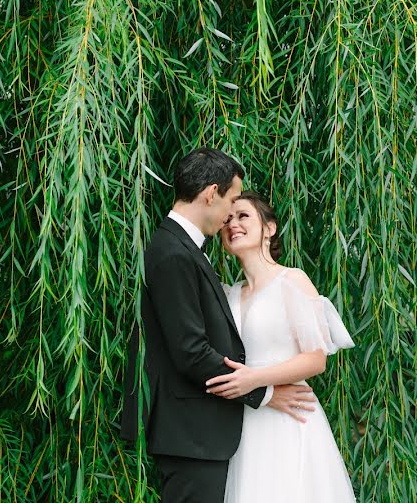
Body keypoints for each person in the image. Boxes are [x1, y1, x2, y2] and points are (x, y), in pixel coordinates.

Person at [120, 149, 319, 503]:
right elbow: (191, 352)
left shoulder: (186, 250)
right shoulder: (173, 252)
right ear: (211, 193)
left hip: (214, 431)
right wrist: (265, 393)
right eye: (230, 201)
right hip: (193, 431)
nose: (230, 216)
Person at [205, 191, 356, 502]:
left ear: (269, 228)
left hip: (289, 418)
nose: (233, 224)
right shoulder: (228, 295)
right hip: (246, 422)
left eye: (243, 216)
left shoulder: (292, 280)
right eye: (227, 220)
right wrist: (256, 390)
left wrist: (254, 380)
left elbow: (315, 359)